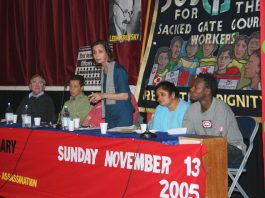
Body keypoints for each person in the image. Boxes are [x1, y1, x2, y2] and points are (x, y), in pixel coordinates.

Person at [182, 73, 246, 164]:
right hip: (207, 146)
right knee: (184, 150)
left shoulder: (221, 108)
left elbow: (218, 140)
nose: (191, 89)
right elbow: (185, 134)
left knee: (209, 151)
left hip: (232, 148)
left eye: (196, 87)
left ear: (207, 91)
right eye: (192, 86)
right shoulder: (192, 109)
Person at [88, 40, 134, 129]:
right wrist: (98, 98)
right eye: (94, 52)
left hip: (122, 115)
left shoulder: (118, 70)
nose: (97, 55)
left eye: (100, 51)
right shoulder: (103, 71)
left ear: (107, 52)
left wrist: (102, 95)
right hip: (109, 114)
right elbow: (107, 95)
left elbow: (125, 95)